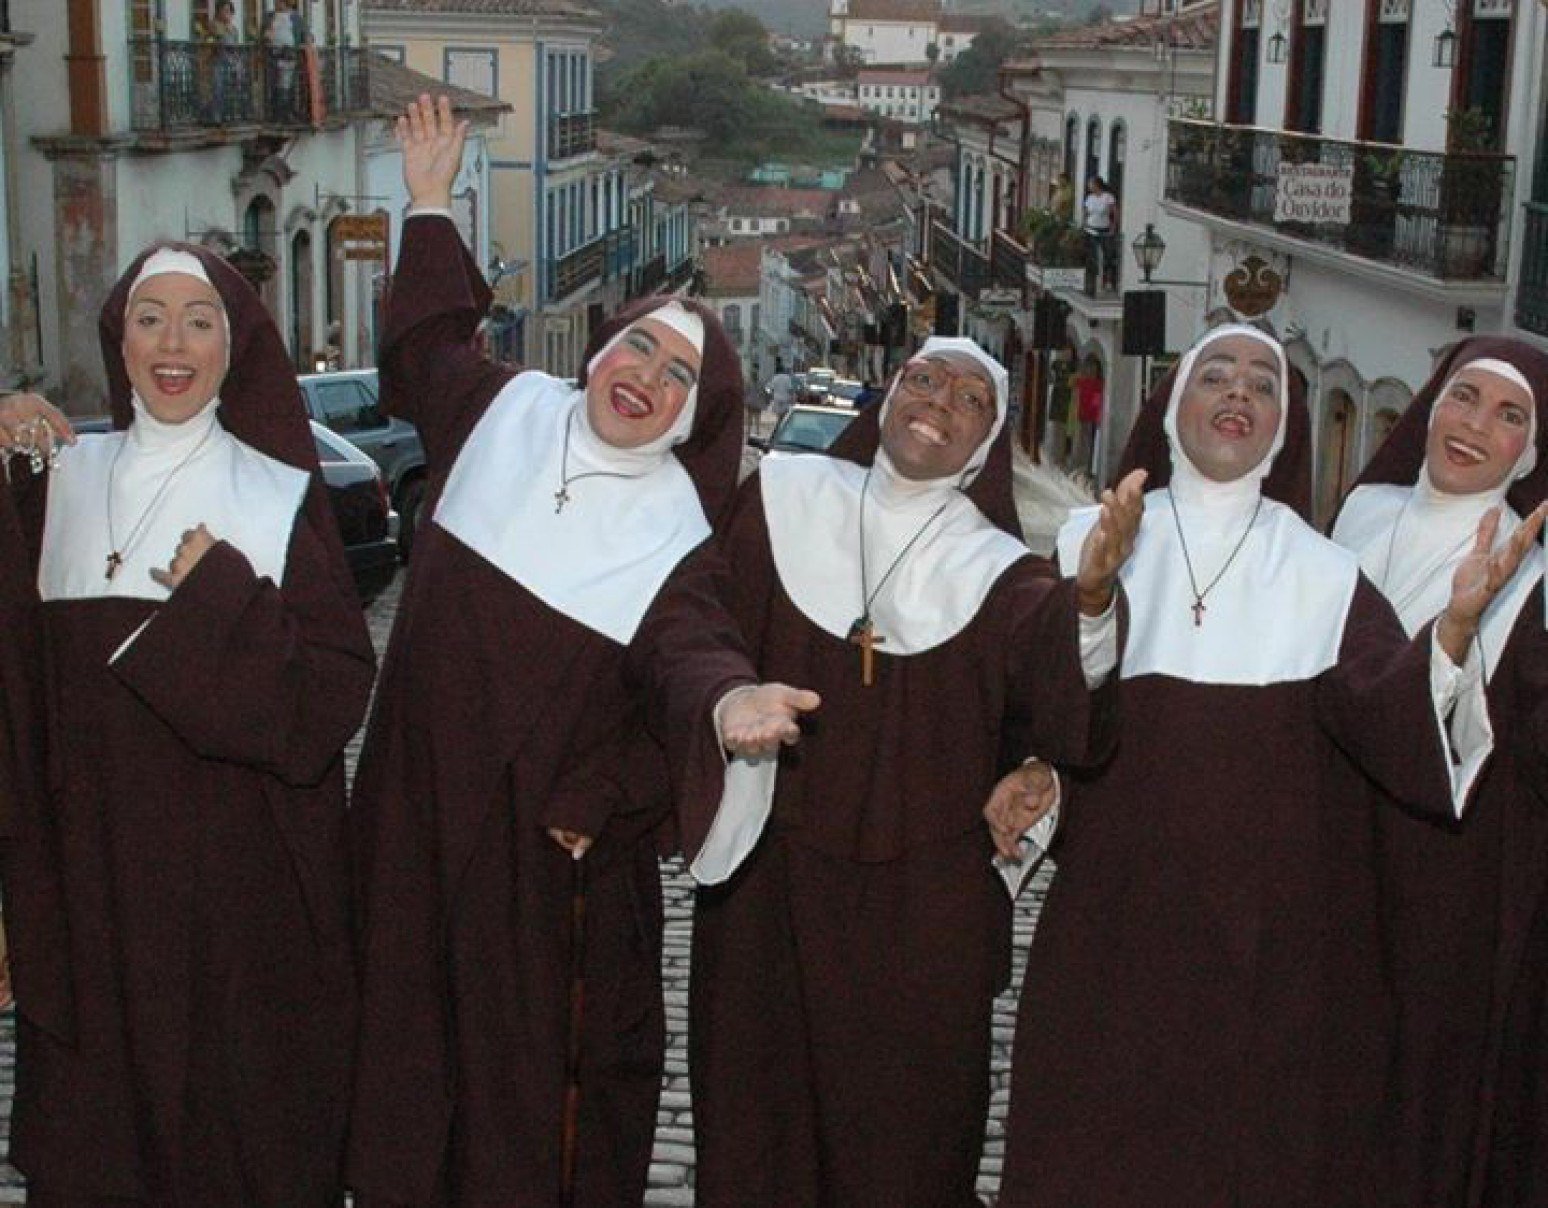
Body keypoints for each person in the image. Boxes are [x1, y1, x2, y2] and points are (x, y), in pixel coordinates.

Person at [346, 97, 815, 1208]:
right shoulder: (502, 409)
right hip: (411, 814)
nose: (646, 373)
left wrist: (731, 705)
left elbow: (696, 651)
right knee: (397, 1057)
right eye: (640, 343)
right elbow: (423, 347)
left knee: (513, 1101)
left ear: (690, 417)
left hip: (530, 863)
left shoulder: (676, 537)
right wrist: (427, 204)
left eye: (677, 375)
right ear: (604, 347)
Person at [992, 324, 1544, 1208]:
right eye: (1216, 375)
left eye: (1263, 384)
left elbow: (1388, 726)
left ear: (1283, 426)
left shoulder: (1323, 573)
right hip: (1111, 933)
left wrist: (1451, 629)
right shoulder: (1087, 542)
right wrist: (1090, 602)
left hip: (1261, 953)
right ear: (1175, 406)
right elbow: (1049, 717)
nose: (1238, 394)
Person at [674, 335, 1145, 1208]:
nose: (938, 401)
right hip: (768, 890)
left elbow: (1062, 710)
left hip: (922, 920)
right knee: (755, 1131)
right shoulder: (781, 496)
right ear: (887, 395)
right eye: (923, 379)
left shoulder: (1000, 573)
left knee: (907, 1147)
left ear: (988, 440)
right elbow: (694, 629)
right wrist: (723, 696)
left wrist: (1090, 598)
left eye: (970, 399)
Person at [0, 240, 376, 1206]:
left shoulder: (277, 493)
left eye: (198, 322)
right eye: (150, 319)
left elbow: (326, 703)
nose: (173, 344)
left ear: (233, 346)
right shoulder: (55, 482)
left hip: (238, 920)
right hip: (93, 904)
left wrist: (219, 598)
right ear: (118, 341)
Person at [1329, 337, 1548, 1208]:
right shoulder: (1361, 510)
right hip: (1330, 836)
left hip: (1444, 870)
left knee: (1410, 1088)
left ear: (1528, 453)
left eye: (1509, 416)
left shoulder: (1534, 573)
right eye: (1464, 397)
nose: (1475, 427)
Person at [1081, 175, 1118, 291]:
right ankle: (1092, 281)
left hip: (1104, 230)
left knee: (1108, 255)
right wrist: (1084, 224)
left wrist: (1113, 227)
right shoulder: (1090, 198)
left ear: (1097, 185)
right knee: (1092, 256)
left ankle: (1107, 280)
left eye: (1091, 184)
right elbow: (1086, 212)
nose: (1089, 186)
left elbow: (1114, 213)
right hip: (1091, 229)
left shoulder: (1108, 197)